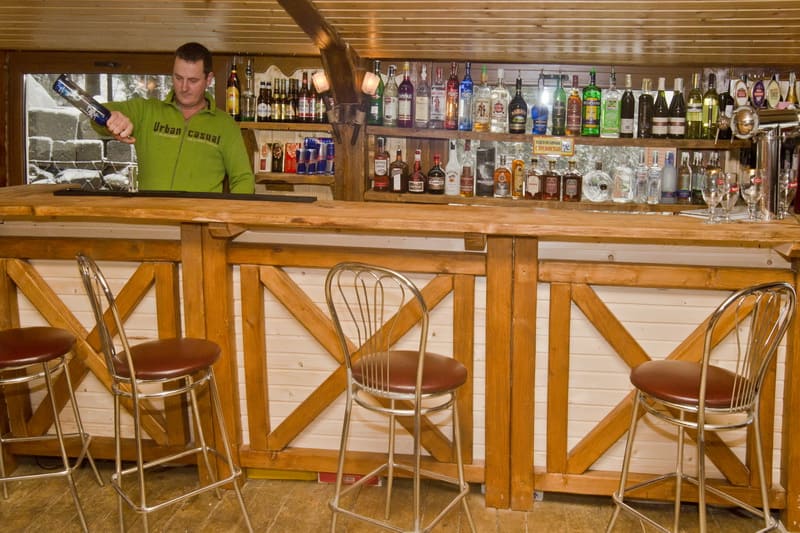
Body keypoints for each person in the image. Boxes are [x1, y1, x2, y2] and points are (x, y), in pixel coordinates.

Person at [101, 42, 254, 193]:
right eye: (178, 78)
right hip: (150, 209)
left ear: (208, 79)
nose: (184, 87)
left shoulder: (225, 125)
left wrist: (230, 209)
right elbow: (97, 112)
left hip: (200, 211)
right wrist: (111, 118)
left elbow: (243, 179)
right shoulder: (146, 111)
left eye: (193, 80)